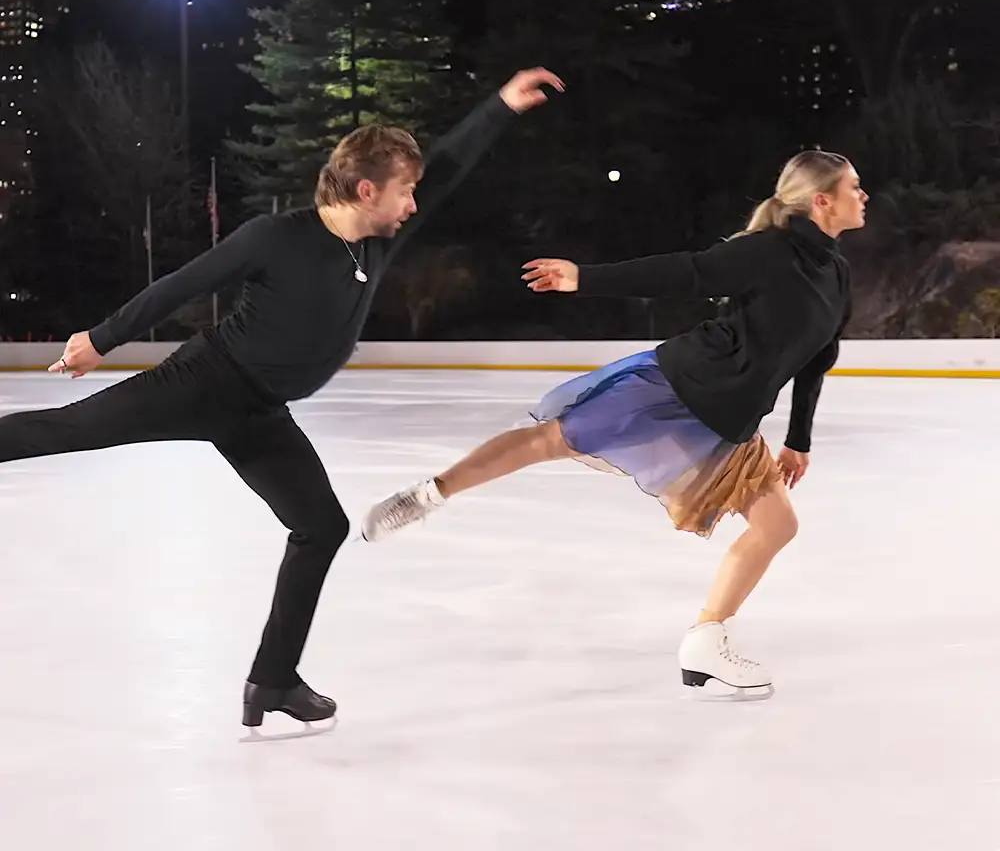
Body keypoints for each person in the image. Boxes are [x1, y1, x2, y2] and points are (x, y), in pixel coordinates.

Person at [0, 66, 564, 729]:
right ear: (366, 190)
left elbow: (443, 169)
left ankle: (272, 680)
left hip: (260, 413)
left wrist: (501, 105)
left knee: (321, 526)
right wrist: (101, 339)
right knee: (69, 429)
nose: (414, 204)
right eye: (403, 192)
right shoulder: (278, 237)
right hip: (202, 384)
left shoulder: (376, 244)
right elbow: (181, 285)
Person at [362, 150, 867, 695]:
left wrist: (798, 440)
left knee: (777, 526)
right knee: (549, 440)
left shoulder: (836, 273)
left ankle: (706, 640)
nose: (863, 196)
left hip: (731, 417)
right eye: (854, 187)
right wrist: (584, 278)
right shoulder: (770, 252)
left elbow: (818, 357)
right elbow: (686, 272)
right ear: (822, 200)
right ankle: (427, 496)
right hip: (675, 387)